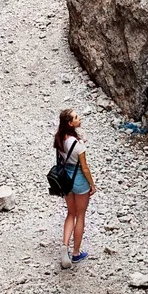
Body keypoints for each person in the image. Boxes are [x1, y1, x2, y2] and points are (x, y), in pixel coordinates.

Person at [54, 108, 96, 269]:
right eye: (77, 118)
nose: (80, 118)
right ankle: (76, 253)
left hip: (65, 179)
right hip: (78, 180)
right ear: (71, 124)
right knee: (81, 215)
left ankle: (65, 245)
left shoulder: (59, 139)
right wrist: (92, 184)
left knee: (70, 213)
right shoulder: (78, 145)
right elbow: (85, 168)